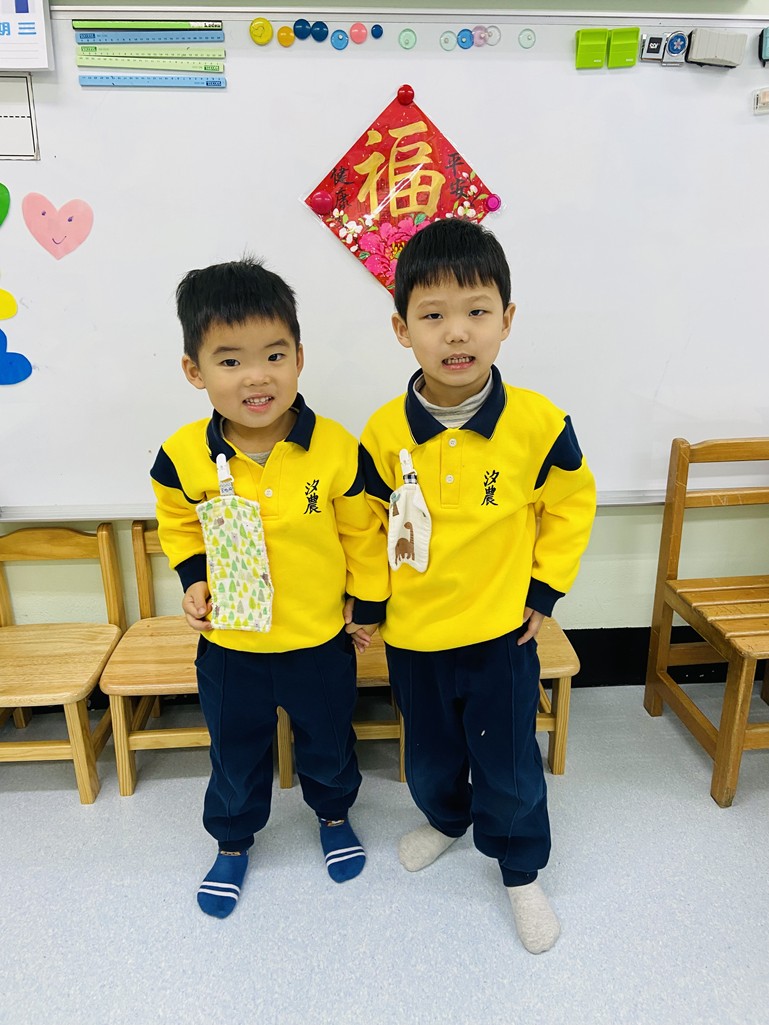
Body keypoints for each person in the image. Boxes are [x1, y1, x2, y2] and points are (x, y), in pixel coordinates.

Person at [357, 218, 596, 953]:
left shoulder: (538, 423)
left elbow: (571, 504)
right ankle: (445, 818)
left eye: (476, 311)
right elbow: (365, 524)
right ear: (402, 329)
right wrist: (368, 602)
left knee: (508, 759)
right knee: (429, 752)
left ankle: (519, 869)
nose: (456, 332)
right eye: (432, 315)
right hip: (414, 636)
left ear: (506, 320)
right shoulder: (382, 432)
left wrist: (544, 591)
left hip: (500, 636)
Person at [151, 257, 387, 918]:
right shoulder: (181, 456)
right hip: (231, 645)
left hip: (319, 638)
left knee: (329, 740)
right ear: (194, 370)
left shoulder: (336, 448)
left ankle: (334, 816)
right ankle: (232, 840)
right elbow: (178, 524)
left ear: (299, 359)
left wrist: (369, 603)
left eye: (274, 355)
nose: (256, 376)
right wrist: (193, 579)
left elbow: (364, 533)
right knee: (234, 752)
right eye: (229, 361)